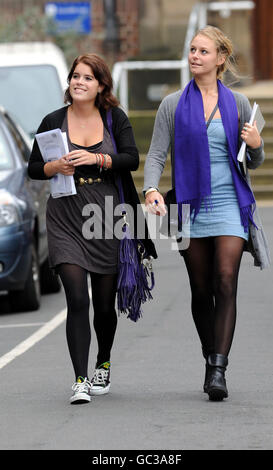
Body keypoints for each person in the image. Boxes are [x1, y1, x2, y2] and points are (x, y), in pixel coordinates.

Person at [144, 26, 270, 401]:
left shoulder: (240, 104)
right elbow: (155, 154)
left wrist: (257, 144)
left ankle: (218, 367)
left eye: (203, 51)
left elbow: (254, 161)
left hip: (231, 201)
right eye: (192, 50)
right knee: (201, 289)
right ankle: (209, 352)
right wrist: (151, 188)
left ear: (220, 58)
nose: (195, 56)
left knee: (226, 277)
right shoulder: (171, 105)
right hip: (189, 205)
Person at [28, 53, 157, 404]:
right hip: (65, 217)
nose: (78, 81)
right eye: (75, 76)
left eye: (87, 77)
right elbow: (34, 168)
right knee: (77, 298)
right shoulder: (53, 121)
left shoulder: (115, 118)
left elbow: (131, 158)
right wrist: (55, 165)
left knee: (103, 305)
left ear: (101, 85)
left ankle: (103, 360)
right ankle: (80, 380)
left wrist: (96, 158)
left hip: (106, 217)